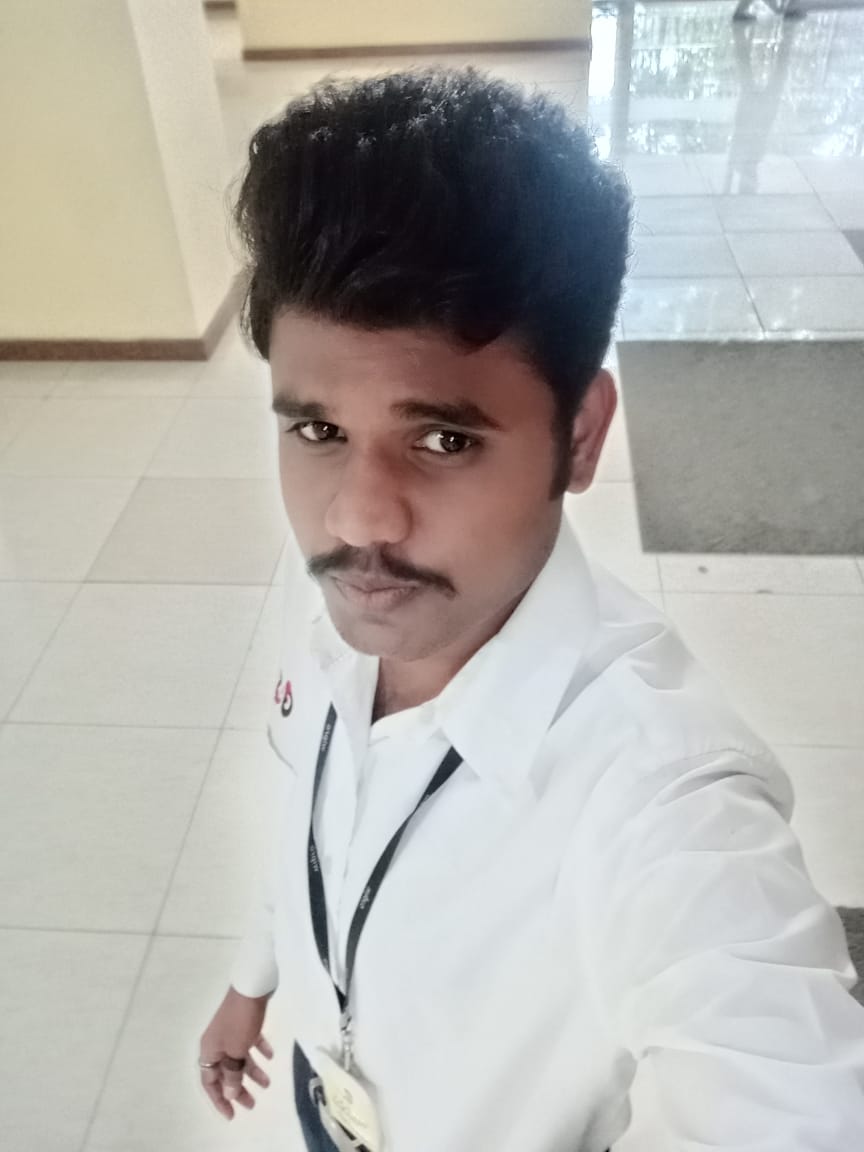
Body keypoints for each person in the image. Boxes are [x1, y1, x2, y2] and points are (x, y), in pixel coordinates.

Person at [198, 68, 864, 1151]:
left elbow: (788, 1097)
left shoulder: (661, 793)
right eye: (318, 431)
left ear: (581, 437)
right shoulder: (335, 585)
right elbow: (307, 811)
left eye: (443, 438)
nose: (359, 516)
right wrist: (256, 980)